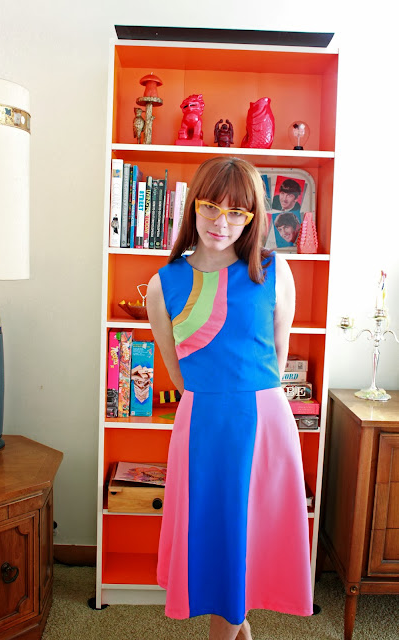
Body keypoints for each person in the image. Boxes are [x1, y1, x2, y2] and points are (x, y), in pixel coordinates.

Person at [147, 157, 313, 640]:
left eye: (237, 212)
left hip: (263, 425)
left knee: (246, 541)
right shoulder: (164, 284)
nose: (222, 222)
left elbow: (278, 354)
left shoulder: (274, 271)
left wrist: (248, 399)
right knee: (217, 540)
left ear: (252, 217)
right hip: (202, 425)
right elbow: (177, 371)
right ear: (192, 206)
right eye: (210, 207)